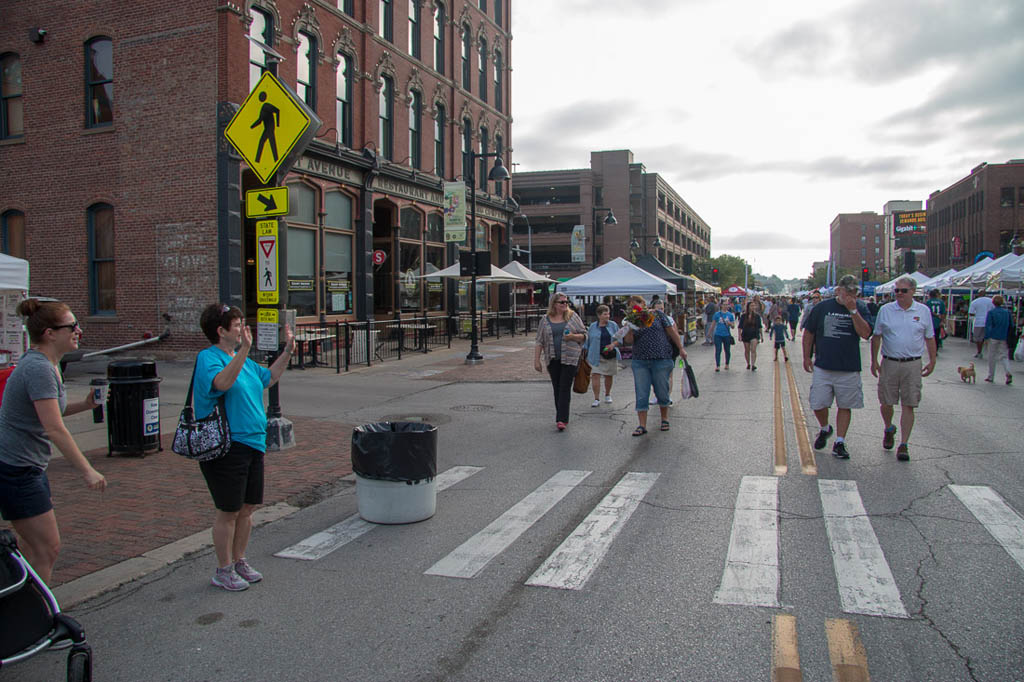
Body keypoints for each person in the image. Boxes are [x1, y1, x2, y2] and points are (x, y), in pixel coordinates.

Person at [0, 299, 107, 584]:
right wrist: (87, 470)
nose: (78, 331)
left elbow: (49, 411)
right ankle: (34, 616)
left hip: (27, 468)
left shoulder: (47, 364)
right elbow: (54, 428)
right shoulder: (38, 368)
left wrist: (85, 404)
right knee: (47, 548)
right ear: (50, 333)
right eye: (72, 326)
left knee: (32, 548)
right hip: (16, 471)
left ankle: (22, 609)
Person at [194, 303, 295, 591]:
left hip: (253, 442)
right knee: (228, 509)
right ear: (220, 331)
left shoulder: (243, 360)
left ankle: (239, 560)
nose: (242, 329)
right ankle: (223, 569)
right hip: (227, 444)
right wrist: (243, 351)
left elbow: (269, 378)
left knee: (248, 507)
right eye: (236, 325)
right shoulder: (209, 358)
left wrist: (287, 351)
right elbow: (222, 383)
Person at [802, 275, 873, 459]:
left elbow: (865, 333)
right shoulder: (822, 308)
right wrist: (806, 356)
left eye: (853, 292)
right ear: (838, 290)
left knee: (845, 405)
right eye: (846, 291)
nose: (850, 295)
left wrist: (853, 311)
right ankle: (825, 427)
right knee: (817, 403)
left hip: (848, 366)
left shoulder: (861, 308)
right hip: (824, 365)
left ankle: (840, 441)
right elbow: (809, 332)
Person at [869, 276, 937, 462]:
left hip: (913, 363)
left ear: (912, 292)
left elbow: (930, 337)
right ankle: (888, 427)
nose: (899, 294)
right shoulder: (886, 310)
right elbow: (877, 336)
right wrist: (874, 360)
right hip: (890, 362)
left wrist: (932, 360)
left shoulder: (923, 311)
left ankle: (904, 444)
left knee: (909, 403)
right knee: (886, 401)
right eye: (896, 291)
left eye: (903, 291)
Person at [612, 299, 686, 436]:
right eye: (631, 306)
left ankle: (664, 419)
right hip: (640, 361)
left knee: (662, 391)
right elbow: (629, 341)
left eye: (637, 304)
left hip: (661, 358)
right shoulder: (632, 320)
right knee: (641, 393)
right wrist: (629, 328)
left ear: (644, 305)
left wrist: (681, 348)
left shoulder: (658, 315)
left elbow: (671, 331)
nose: (635, 307)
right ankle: (642, 425)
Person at [534, 293, 587, 431]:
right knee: (557, 387)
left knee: (564, 387)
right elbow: (539, 340)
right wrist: (536, 361)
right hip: (552, 358)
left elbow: (584, 335)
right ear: (554, 304)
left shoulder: (573, 317)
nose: (565, 304)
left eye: (566, 302)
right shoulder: (545, 320)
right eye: (561, 302)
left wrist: (573, 336)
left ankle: (561, 419)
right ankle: (561, 415)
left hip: (570, 357)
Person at [586, 304, 620, 406]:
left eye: (608, 314)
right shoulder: (592, 327)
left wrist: (613, 345)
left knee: (608, 375)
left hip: (610, 354)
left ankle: (608, 394)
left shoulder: (613, 325)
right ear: (599, 315)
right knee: (595, 375)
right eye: (605, 314)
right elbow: (588, 340)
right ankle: (596, 398)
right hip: (596, 354)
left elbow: (619, 338)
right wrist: (585, 352)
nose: (607, 316)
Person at [983, 295, 1013, 386]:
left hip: (993, 336)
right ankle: (1008, 371)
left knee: (992, 356)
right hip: (1003, 336)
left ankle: (991, 376)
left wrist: (986, 337)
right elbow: (1011, 324)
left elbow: (988, 326)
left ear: (993, 302)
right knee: (1004, 355)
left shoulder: (991, 312)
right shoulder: (1007, 312)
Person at [710, 298, 735, 371]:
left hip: (727, 334)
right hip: (718, 334)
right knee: (718, 350)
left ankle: (727, 364)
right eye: (724, 305)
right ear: (721, 305)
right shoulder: (717, 314)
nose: (725, 306)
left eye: (727, 305)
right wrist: (709, 333)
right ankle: (717, 365)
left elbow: (733, 326)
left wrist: (730, 324)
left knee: (727, 350)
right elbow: (713, 324)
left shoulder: (730, 315)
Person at [968, 291, 994, 358]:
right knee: (989, 339)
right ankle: (990, 353)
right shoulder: (991, 301)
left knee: (978, 338)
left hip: (978, 322)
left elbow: (971, 313)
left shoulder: (974, 302)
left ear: (978, 294)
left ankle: (979, 352)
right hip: (989, 322)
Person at [740, 301, 763, 370]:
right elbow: (740, 326)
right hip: (746, 334)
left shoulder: (757, 316)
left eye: (754, 306)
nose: (753, 307)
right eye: (751, 306)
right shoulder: (744, 316)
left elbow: (759, 326)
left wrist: (761, 336)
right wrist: (739, 335)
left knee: (753, 349)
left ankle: (753, 364)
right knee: (747, 350)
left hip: (754, 334)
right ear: (748, 307)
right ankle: (748, 363)